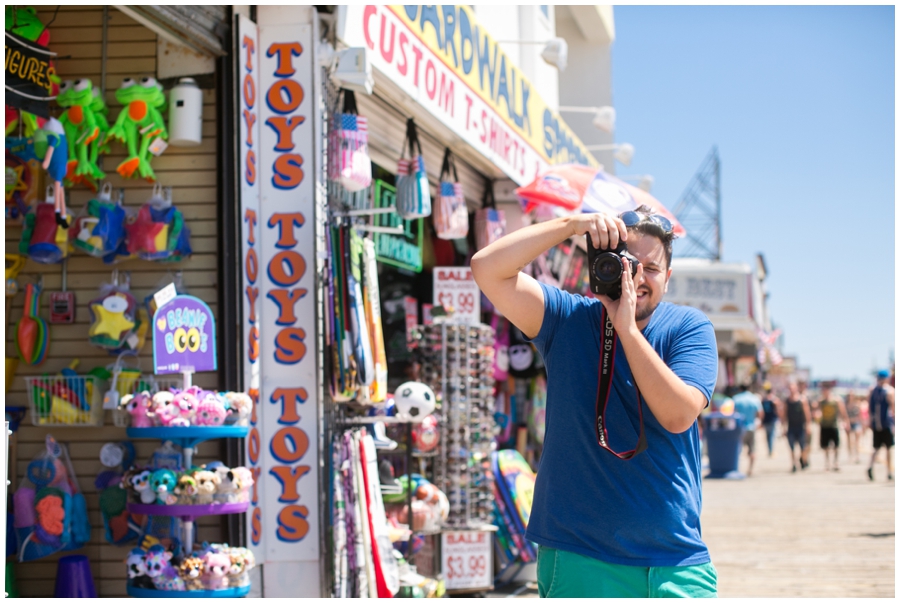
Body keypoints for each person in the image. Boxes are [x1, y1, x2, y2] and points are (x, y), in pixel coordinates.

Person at [472, 206, 719, 598]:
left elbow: (678, 415)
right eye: (627, 264)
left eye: (650, 269)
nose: (636, 278)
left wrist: (625, 329)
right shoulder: (567, 318)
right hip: (581, 556)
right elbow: (487, 269)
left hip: (675, 559)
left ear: (668, 279)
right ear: (600, 264)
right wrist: (571, 225)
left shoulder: (688, 327)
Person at [867, 370, 894, 481]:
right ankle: (889, 472)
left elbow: (870, 407)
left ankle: (870, 466)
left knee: (876, 448)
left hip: (876, 423)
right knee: (888, 448)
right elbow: (893, 408)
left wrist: (870, 421)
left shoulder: (872, 390)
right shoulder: (890, 391)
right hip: (886, 423)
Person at [732, 383, 763, 476]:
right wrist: (758, 422)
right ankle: (750, 469)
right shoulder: (754, 398)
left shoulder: (736, 398)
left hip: (740, 428)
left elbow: (732, 413)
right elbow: (760, 413)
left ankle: (737, 468)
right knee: (752, 449)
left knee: (738, 449)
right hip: (752, 427)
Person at [817, 381, 849, 472]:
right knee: (825, 446)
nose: (824, 391)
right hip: (824, 425)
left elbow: (843, 412)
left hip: (834, 425)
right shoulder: (821, 401)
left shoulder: (836, 400)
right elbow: (817, 411)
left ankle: (836, 462)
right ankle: (827, 463)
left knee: (836, 445)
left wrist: (846, 422)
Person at [782, 381, 811, 473]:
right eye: (790, 388)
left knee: (803, 447)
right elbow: (784, 415)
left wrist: (808, 426)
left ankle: (802, 459)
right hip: (791, 427)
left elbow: (807, 414)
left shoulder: (802, 400)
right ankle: (794, 464)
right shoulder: (787, 401)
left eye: (793, 388)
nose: (791, 390)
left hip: (801, 427)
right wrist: (784, 427)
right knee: (791, 447)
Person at [760, 382, 781, 457]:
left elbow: (761, 411)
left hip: (766, 420)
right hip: (772, 420)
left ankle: (770, 450)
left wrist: (761, 421)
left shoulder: (764, 399)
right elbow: (778, 410)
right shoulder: (774, 399)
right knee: (771, 436)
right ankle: (771, 451)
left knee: (768, 436)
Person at [798, 380, 815, 470]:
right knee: (802, 443)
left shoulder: (808, 396)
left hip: (807, 423)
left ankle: (805, 458)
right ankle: (803, 458)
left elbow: (812, 408)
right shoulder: (795, 396)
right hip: (798, 424)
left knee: (808, 444)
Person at [844, 393, 863, 464]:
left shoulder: (857, 405)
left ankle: (857, 455)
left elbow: (860, 415)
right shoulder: (845, 405)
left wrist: (862, 424)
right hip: (849, 423)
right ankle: (850, 455)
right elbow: (843, 415)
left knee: (857, 440)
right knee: (849, 440)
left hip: (856, 423)